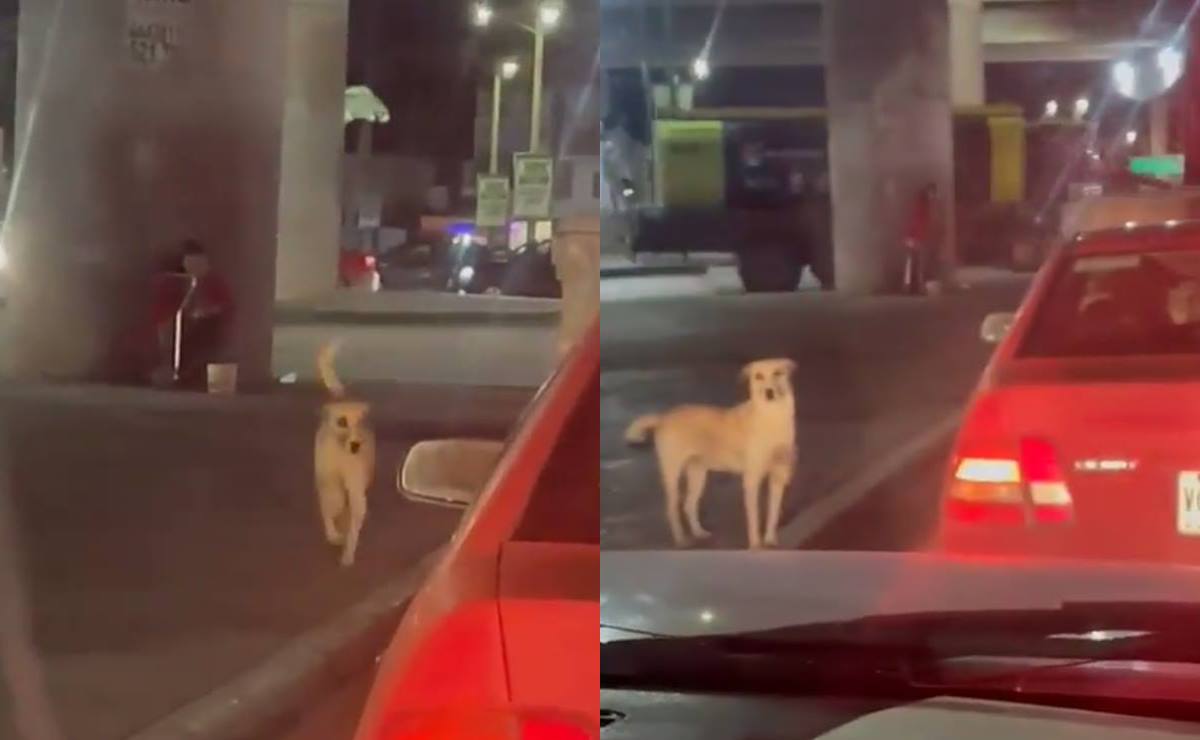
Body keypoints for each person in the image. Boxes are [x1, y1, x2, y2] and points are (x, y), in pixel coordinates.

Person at [149, 240, 234, 388]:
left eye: (198, 263)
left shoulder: (212, 281)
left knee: (197, 349)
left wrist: (205, 311)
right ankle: (177, 375)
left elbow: (225, 305)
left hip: (203, 327)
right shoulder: (174, 281)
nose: (194, 268)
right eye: (190, 264)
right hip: (178, 324)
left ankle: (190, 376)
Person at [902, 183, 938, 295]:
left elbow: (916, 221)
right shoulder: (923, 205)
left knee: (911, 262)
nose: (934, 196)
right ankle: (918, 286)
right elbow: (919, 222)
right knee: (918, 263)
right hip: (916, 237)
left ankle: (908, 286)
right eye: (933, 193)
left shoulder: (920, 203)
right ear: (929, 192)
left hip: (913, 236)